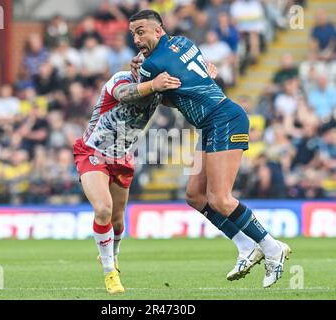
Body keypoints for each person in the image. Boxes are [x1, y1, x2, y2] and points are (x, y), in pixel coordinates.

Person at [128, 9, 291, 288]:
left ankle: (273, 247)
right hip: (211, 122)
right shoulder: (185, 43)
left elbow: (145, 102)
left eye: (141, 31)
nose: (136, 38)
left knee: (220, 199)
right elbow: (183, 88)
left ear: (158, 30)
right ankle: (245, 246)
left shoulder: (152, 65)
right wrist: (150, 78)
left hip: (223, 119)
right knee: (194, 195)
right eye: (133, 33)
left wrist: (140, 79)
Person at [74, 60, 217, 294]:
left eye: (145, 66)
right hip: (93, 152)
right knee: (103, 209)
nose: (139, 68)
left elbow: (190, 101)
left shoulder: (160, 92)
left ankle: (112, 256)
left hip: (122, 157)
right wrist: (154, 84)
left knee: (118, 222)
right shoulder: (120, 80)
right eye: (137, 64)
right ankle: (110, 273)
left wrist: (204, 78)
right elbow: (124, 95)